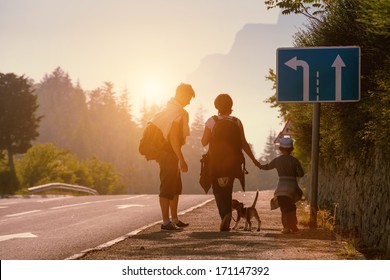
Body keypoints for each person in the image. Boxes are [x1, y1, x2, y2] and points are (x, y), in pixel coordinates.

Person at [201, 93, 261, 231]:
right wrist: (254, 160)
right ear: (231, 106)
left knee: (217, 190)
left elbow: (204, 142)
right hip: (232, 163)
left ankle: (225, 215)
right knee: (227, 190)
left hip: (215, 163)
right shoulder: (236, 122)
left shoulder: (212, 121)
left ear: (216, 106)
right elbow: (244, 143)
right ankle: (226, 220)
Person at [151, 83, 195, 231]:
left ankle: (174, 219)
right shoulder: (176, 113)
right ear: (182, 94)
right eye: (189, 97)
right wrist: (181, 159)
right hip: (168, 153)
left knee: (175, 187)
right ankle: (165, 222)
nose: (189, 102)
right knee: (167, 187)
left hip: (169, 153)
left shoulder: (170, 109)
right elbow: (173, 138)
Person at [259, 137, 304, 234]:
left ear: (280, 149)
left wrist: (259, 166)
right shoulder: (295, 160)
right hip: (292, 187)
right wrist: (293, 174)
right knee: (291, 206)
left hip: (281, 188)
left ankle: (286, 227)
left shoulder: (277, 160)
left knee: (284, 207)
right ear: (291, 149)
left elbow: (267, 167)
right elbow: (301, 173)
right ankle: (293, 225)